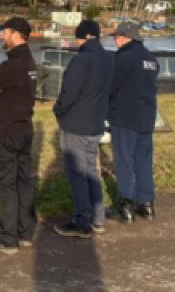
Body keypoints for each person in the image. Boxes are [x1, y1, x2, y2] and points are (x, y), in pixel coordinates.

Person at [0, 17, 38, 254]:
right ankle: (25, 232)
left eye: (4, 32)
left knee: (6, 183)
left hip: (7, 131)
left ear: (15, 34)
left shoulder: (11, 65)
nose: (1, 36)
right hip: (24, 129)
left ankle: (7, 237)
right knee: (23, 181)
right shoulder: (29, 61)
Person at [52, 21, 114, 238]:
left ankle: (82, 221)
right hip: (96, 124)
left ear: (85, 37)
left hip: (76, 125)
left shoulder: (81, 59)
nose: (77, 42)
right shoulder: (108, 58)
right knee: (91, 171)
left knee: (77, 173)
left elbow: (69, 91)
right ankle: (98, 218)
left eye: (78, 38)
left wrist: (58, 110)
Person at [107, 21, 159, 223]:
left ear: (123, 37)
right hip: (146, 116)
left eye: (115, 37)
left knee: (124, 160)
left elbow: (112, 86)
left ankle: (125, 205)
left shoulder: (123, 58)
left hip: (125, 116)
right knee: (143, 160)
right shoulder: (151, 58)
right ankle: (146, 204)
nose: (114, 41)